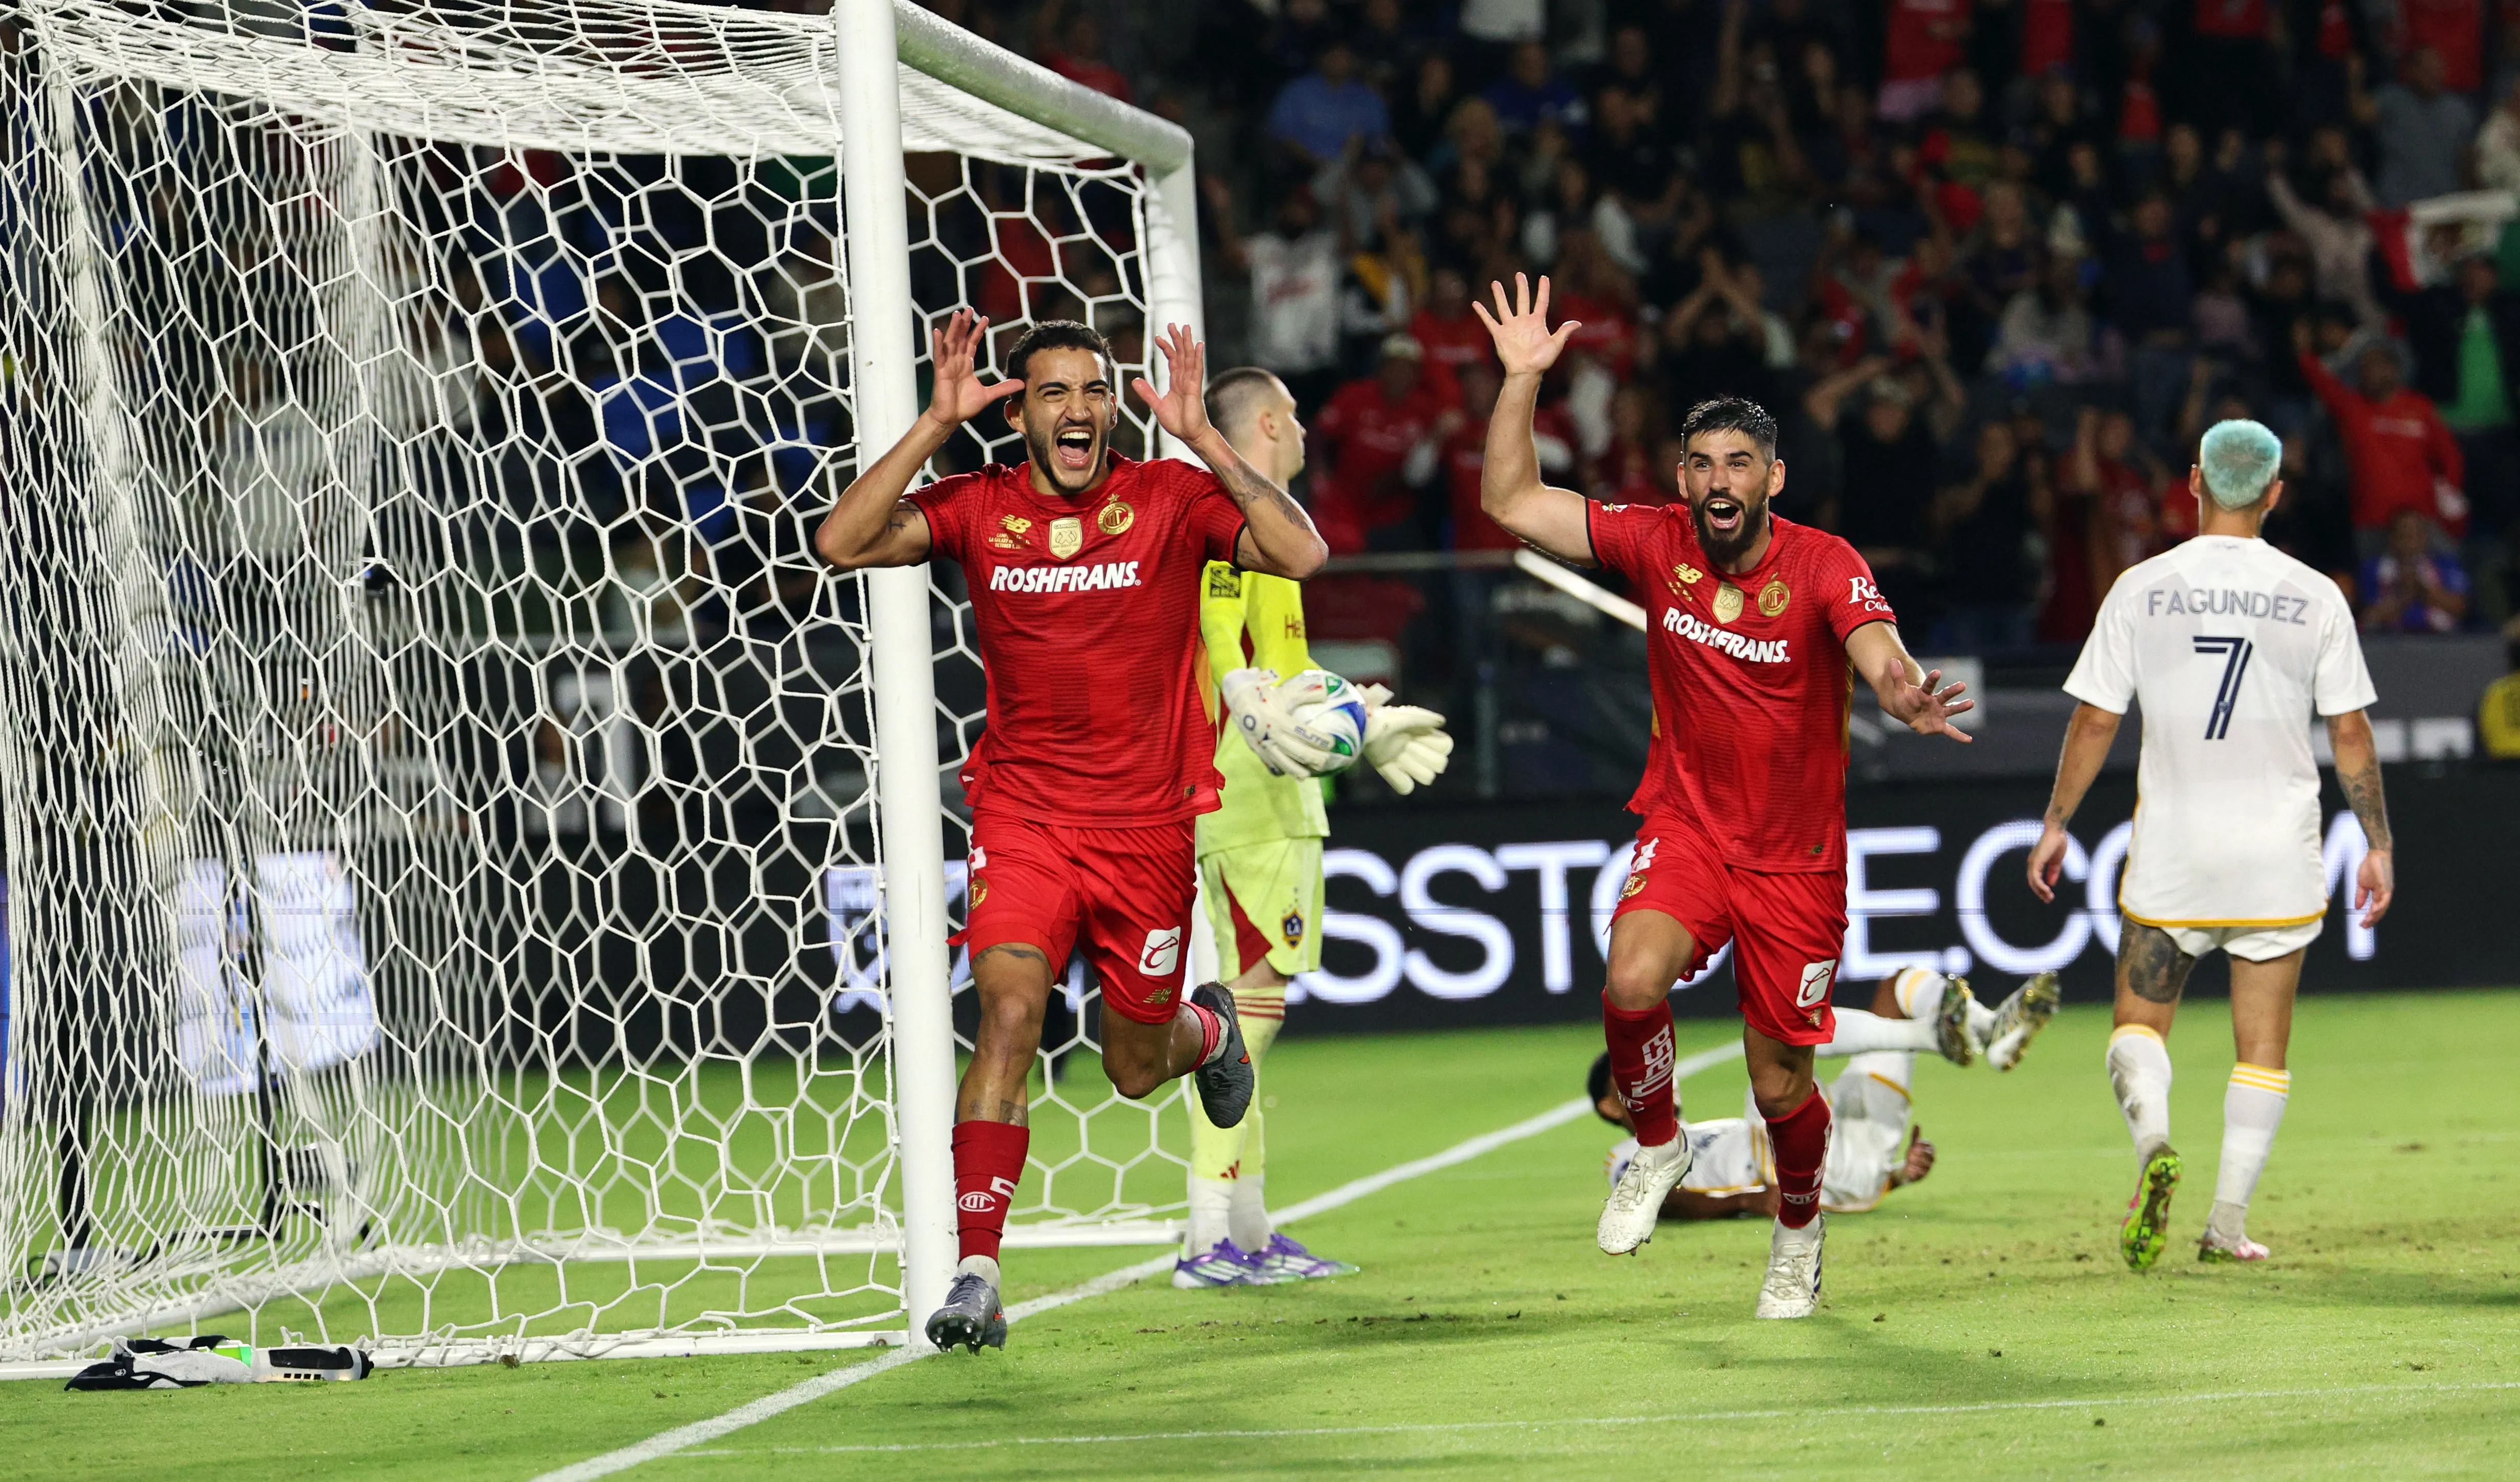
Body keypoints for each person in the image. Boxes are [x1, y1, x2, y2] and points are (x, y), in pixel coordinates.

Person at [814, 312, 1329, 1353]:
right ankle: (976, 1269)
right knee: (1007, 1014)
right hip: (1025, 817)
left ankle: (1209, 1029)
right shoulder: (978, 507)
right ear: (1020, 412)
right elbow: (839, 542)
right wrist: (931, 425)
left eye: (1091, 390)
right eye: (1052, 393)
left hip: (1144, 830)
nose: (1078, 410)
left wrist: (1204, 438)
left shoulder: (1170, 498)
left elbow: (1300, 551)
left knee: (1136, 1067)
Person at [1473, 274, 1976, 1320]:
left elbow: (1875, 649)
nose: (1716, 478)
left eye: (1737, 462)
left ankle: (1798, 1236)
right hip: (1689, 829)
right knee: (1629, 977)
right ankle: (1656, 1146)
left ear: (1772, 477)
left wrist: (1904, 690)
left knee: (1780, 1082)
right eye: (1700, 462)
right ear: (1681, 476)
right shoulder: (1656, 542)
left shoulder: (1824, 563)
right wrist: (1521, 380)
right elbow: (1510, 504)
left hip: (1795, 862)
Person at [2027, 419, 2394, 1271]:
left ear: (2191, 480)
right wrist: (2376, 841)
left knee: (2137, 1023)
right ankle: (2226, 1221)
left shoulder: (2140, 588)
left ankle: (2154, 1138)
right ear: (2274, 493)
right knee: (2261, 1048)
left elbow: (2094, 718)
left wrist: (2055, 823)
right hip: (2277, 850)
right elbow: (2349, 734)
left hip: (2174, 849)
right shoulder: (2316, 595)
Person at [1176, 366, 1454, 1288]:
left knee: (1253, 1020)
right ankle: (1206, 1233)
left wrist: (1364, 723)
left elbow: (1288, 673)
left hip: (1273, 802)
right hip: (1248, 803)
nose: (1302, 430)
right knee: (1240, 1029)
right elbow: (1226, 638)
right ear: (1264, 422)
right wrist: (1240, 693)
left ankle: (1247, 1231)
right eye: (1291, 416)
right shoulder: (1235, 524)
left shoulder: (1271, 530)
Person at [1589, 968, 2062, 1221]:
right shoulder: (1626, 1157)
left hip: (1854, 1151)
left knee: (1897, 988)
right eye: (1636, 1076)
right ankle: (1937, 1036)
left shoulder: (1711, 1132)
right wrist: (1749, 1201)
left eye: (1658, 1066)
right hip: (1797, 1169)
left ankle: (1988, 1030)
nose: (1660, 1076)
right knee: (1769, 1044)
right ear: (1611, 1105)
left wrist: (1897, 1176)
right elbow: (1661, 1201)